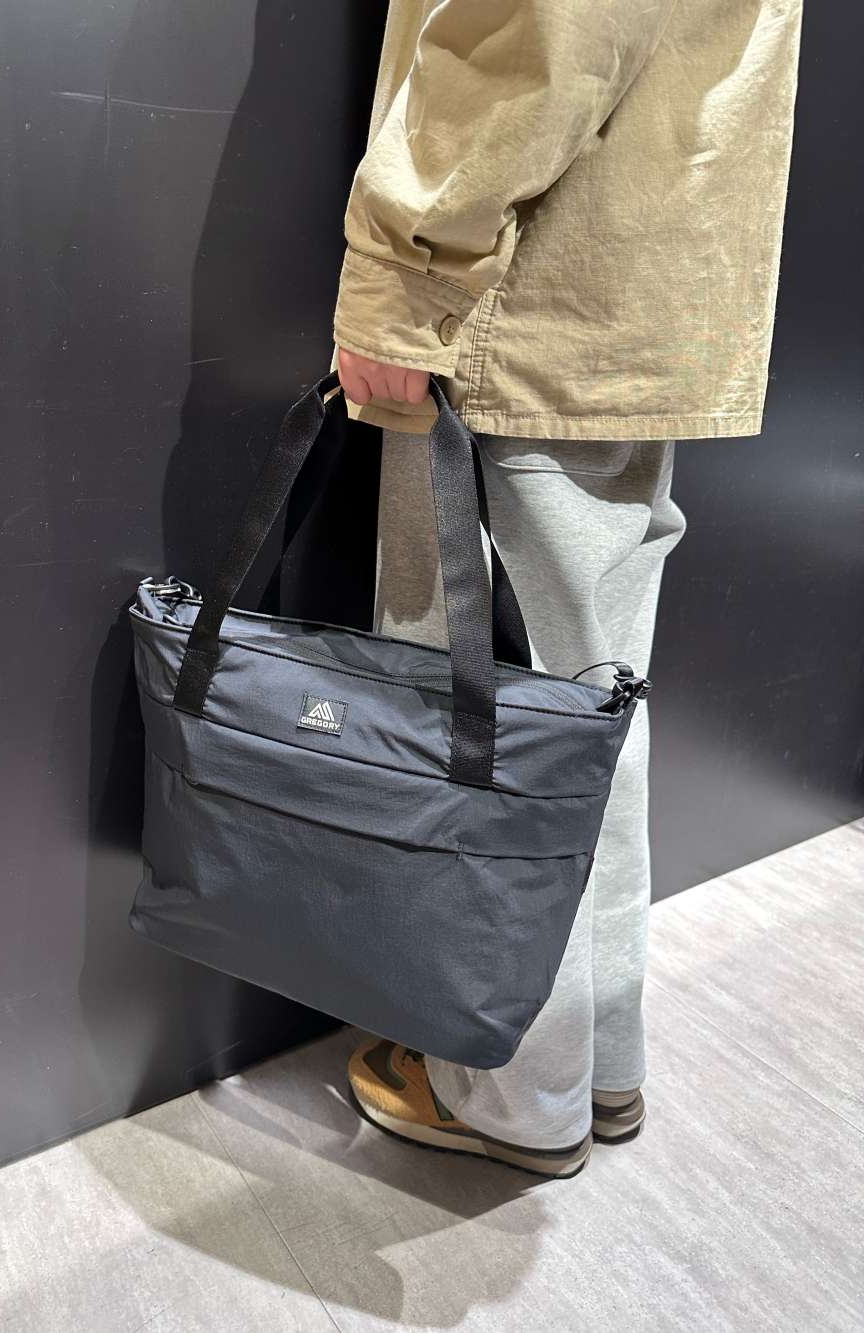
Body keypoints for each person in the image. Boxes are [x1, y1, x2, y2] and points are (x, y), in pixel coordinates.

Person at [334, 0, 803, 1177]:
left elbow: (538, 29)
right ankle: (589, 1063)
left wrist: (403, 275)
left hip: (525, 298)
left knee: (491, 716)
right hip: (632, 285)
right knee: (585, 707)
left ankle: (509, 1093)